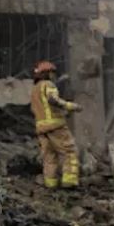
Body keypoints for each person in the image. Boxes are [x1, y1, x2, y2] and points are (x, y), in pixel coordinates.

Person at [30, 61, 83, 189]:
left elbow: (43, 108)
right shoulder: (48, 85)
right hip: (55, 126)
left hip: (41, 128)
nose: (54, 75)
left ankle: (51, 184)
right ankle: (70, 182)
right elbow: (53, 100)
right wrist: (70, 106)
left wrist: (62, 113)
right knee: (69, 152)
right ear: (47, 74)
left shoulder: (35, 90)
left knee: (49, 156)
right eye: (52, 73)